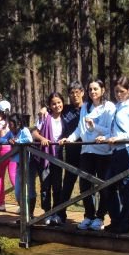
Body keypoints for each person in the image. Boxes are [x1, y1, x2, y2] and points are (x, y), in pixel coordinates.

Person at [59, 79, 115, 231]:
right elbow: (79, 129)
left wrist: (94, 126)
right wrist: (69, 139)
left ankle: (100, 217)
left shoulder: (109, 107)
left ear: (102, 90)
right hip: (86, 151)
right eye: (90, 89)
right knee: (84, 185)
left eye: (95, 89)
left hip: (103, 152)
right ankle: (89, 215)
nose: (93, 92)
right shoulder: (85, 107)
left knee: (103, 186)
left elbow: (111, 130)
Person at [97, 76, 129, 234]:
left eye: (122, 91)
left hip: (127, 150)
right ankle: (117, 220)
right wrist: (106, 137)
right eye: (116, 91)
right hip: (116, 151)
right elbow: (116, 131)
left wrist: (119, 138)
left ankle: (127, 224)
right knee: (108, 185)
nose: (118, 94)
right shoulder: (118, 107)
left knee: (126, 187)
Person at [31, 93, 66, 225]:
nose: (57, 105)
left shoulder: (65, 118)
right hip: (44, 156)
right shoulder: (45, 117)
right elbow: (34, 132)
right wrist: (42, 139)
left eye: (59, 102)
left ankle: (57, 213)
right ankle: (47, 213)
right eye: (53, 103)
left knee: (57, 187)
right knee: (45, 186)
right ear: (49, 106)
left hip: (58, 156)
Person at [57, 80, 86, 224]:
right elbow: (52, 108)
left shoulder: (88, 108)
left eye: (77, 92)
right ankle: (61, 214)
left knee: (86, 184)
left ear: (82, 93)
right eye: (72, 93)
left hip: (87, 152)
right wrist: (44, 110)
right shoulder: (66, 109)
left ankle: (89, 216)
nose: (75, 95)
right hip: (70, 152)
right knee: (68, 183)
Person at [0, 113, 34, 216]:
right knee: (18, 192)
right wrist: (8, 140)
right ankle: (24, 212)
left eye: (11, 125)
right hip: (18, 164)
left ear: (17, 124)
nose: (10, 127)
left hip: (27, 164)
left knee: (28, 190)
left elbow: (29, 139)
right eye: (9, 125)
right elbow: (1, 139)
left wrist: (17, 141)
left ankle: (27, 215)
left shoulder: (24, 130)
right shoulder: (11, 132)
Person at [0, 100, 16, 211]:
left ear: (0, 111)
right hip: (13, 150)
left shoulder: (1, 123)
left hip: (3, 151)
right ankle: (22, 203)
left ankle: (1, 203)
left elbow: (2, 140)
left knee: (0, 177)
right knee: (13, 176)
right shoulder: (13, 122)